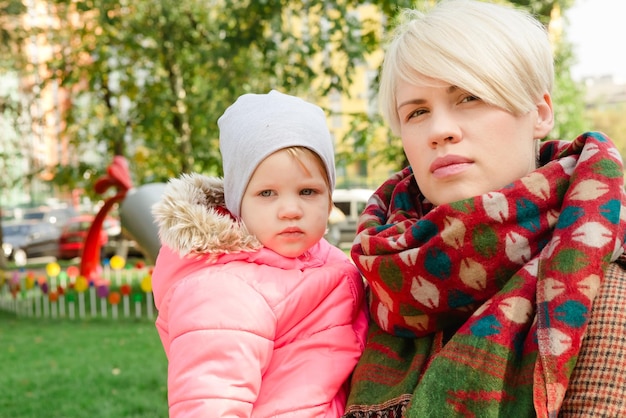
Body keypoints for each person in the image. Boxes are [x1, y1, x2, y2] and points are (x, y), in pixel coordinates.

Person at [343, 1, 626, 417]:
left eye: (470, 97)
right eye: (417, 111)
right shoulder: (362, 286)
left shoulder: (602, 289)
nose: (440, 130)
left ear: (539, 112)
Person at [151, 90, 368, 417]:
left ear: (329, 198)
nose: (291, 210)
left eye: (308, 191)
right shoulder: (225, 290)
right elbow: (210, 403)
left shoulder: (333, 265)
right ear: (239, 203)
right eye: (267, 193)